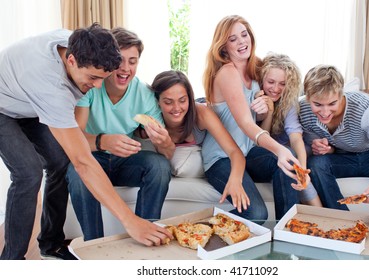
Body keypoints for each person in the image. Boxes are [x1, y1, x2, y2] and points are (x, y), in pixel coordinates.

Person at [0, 23, 171, 260]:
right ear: (71, 61)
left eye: (102, 78)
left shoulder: (81, 43)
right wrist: (130, 221)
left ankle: (51, 243)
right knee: (28, 173)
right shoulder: (51, 87)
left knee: (59, 161)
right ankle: (11, 262)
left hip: (27, 103)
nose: (97, 86)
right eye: (93, 77)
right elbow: (82, 161)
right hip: (3, 107)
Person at [66, 27, 174, 241]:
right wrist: (104, 141)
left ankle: (146, 235)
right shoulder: (92, 85)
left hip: (125, 162)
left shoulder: (144, 95)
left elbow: (168, 154)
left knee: (160, 166)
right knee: (76, 172)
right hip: (92, 157)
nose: (125, 69)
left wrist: (165, 141)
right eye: (120, 60)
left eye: (132, 61)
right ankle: (94, 243)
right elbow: (75, 139)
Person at [202, 15, 303, 220]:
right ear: (223, 47)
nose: (241, 42)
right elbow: (246, 124)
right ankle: (199, 227)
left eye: (244, 34)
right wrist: (279, 148)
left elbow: (258, 121)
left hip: (248, 152)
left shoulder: (255, 66)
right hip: (222, 157)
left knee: (288, 164)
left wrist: (269, 109)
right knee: (256, 212)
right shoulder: (227, 73)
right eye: (233, 39)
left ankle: (287, 234)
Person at [299, 64, 369, 216]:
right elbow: (320, 148)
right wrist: (325, 148)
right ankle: (344, 221)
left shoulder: (365, 109)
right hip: (341, 159)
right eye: (318, 104)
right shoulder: (303, 110)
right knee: (316, 164)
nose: (325, 112)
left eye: (332, 103)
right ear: (308, 98)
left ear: (341, 95)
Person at [151, 70, 250, 215]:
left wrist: (235, 180)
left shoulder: (201, 114)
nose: (177, 108)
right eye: (168, 102)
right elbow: (166, 153)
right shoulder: (152, 122)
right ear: (157, 102)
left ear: (190, 99)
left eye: (182, 100)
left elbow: (235, 152)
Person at [256, 53, 322, 207]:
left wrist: (303, 170)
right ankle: (320, 213)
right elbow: (261, 142)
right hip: (267, 152)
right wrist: (269, 113)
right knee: (289, 157)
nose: (275, 89)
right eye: (271, 82)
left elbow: (295, 137)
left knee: (293, 158)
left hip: (293, 148)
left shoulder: (288, 101)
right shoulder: (255, 97)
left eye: (282, 84)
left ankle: (319, 214)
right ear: (262, 80)